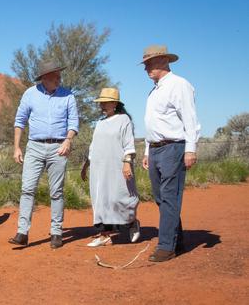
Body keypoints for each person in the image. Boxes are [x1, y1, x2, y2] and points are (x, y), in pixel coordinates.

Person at [8, 60, 79, 249]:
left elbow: (73, 122)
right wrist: (17, 147)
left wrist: (68, 140)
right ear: (45, 78)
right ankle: (22, 232)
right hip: (35, 147)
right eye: (55, 76)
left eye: (59, 75)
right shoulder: (30, 94)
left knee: (56, 192)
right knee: (27, 189)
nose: (59, 79)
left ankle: (56, 232)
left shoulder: (68, 96)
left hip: (59, 148)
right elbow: (20, 121)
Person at [140, 45, 200, 262]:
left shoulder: (179, 85)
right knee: (161, 198)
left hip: (174, 147)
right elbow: (152, 124)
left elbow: (190, 119)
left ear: (164, 61)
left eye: (150, 62)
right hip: (155, 149)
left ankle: (166, 246)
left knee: (169, 197)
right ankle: (178, 240)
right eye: (145, 63)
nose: (146, 67)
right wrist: (147, 151)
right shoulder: (154, 90)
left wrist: (190, 149)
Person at [80, 88, 140, 247]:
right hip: (99, 168)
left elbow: (129, 144)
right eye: (101, 103)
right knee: (101, 200)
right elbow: (94, 147)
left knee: (118, 197)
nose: (102, 106)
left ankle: (131, 221)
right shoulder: (100, 123)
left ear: (115, 103)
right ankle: (104, 235)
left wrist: (127, 162)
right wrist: (86, 165)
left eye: (106, 102)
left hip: (117, 166)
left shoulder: (124, 119)